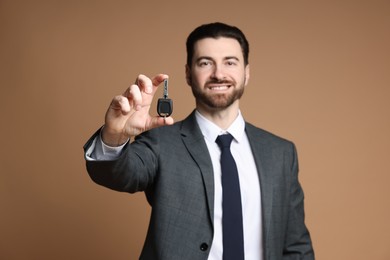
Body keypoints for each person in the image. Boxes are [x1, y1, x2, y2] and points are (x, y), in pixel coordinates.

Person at [84, 22, 315, 260]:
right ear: (188, 73)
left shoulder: (280, 153)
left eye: (230, 62)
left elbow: (296, 246)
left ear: (246, 72)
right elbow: (119, 174)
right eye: (205, 63)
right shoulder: (162, 143)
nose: (218, 73)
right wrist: (115, 134)